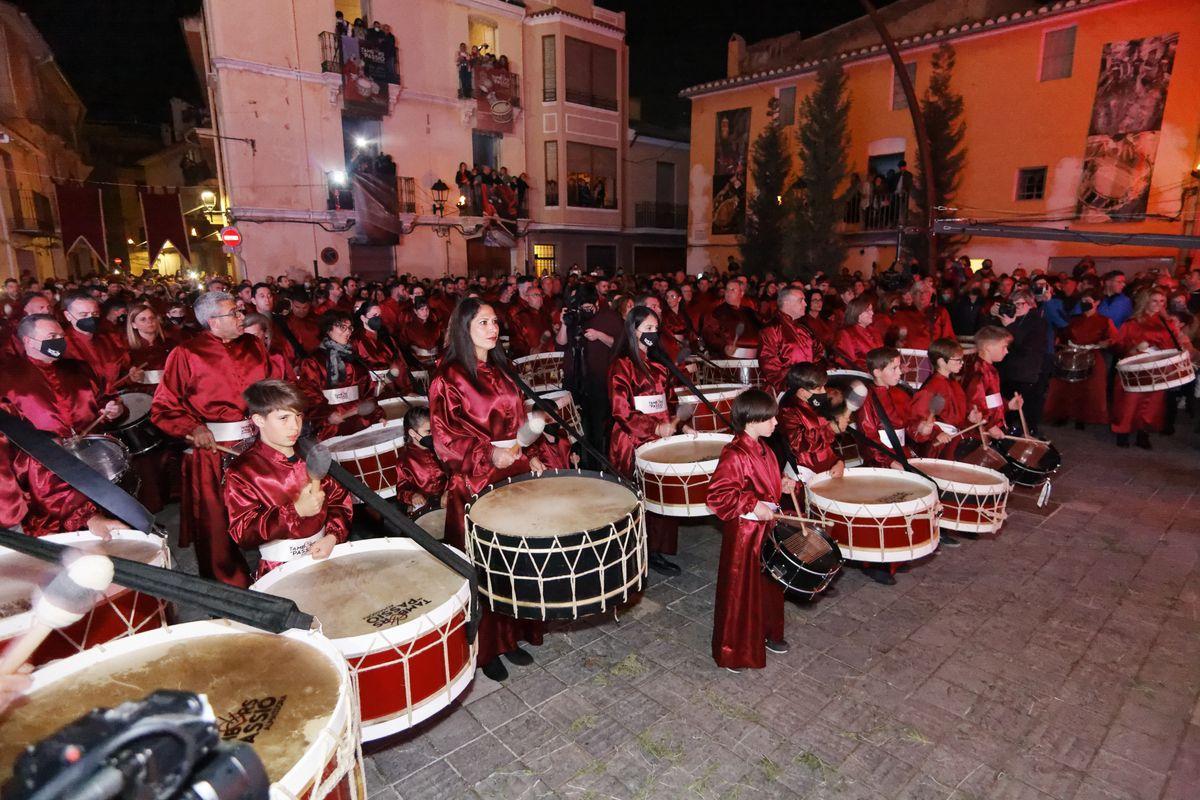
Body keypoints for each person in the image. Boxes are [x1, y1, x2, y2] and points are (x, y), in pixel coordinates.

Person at [429, 298, 547, 683]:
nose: (493, 328)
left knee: (513, 563)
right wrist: (485, 455)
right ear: (464, 327)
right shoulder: (449, 376)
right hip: (476, 483)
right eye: (483, 322)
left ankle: (512, 636)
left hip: (510, 475)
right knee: (483, 569)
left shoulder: (501, 368)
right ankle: (485, 648)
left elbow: (515, 426)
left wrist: (526, 454)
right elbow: (445, 440)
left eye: (495, 321)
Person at [151, 292, 285, 587]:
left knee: (274, 508)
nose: (241, 318)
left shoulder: (252, 344)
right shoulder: (186, 354)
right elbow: (162, 408)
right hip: (214, 451)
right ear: (212, 321)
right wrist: (193, 428)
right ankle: (230, 589)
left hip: (259, 443)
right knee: (215, 524)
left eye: (240, 311)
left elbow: (267, 389)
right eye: (234, 314)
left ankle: (280, 571)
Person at [704, 389, 793, 672]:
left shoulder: (765, 448)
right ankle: (735, 650)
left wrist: (784, 484)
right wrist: (754, 505)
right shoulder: (734, 453)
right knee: (742, 590)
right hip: (746, 534)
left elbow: (764, 482)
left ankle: (767, 632)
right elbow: (717, 496)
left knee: (768, 585)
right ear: (752, 420)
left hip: (766, 529)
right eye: (770, 418)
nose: (775, 423)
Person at [224, 380, 350, 578]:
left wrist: (333, 535)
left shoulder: (308, 453)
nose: (295, 427)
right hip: (280, 568)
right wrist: (295, 511)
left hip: (326, 552)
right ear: (259, 420)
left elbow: (339, 500)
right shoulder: (242, 472)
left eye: (298, 415)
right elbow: (243, 533)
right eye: (284, 418)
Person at [607, 305, 686, 576]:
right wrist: (655, 427)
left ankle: (655, 549)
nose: (653, 333)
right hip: (633, 439)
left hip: (660, 439)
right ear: (633, 331)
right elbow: (621, 410)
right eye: (647, 329)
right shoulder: (622, 365)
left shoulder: (659, 364)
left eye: (656, 329)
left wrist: (679, 426)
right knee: (639, 497)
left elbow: (668, 401)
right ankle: (635, 549)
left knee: (661, 496)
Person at [1110, 288, 1189, 449]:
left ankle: (1143, 433)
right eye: (1155, 300)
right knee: (1128, 401)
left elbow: (1174, 346)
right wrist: (1133, 349)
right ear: (1145, 300)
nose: (1159, 304)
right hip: (1133, 368)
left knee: (1152, 402)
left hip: (1157, 369)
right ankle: (1123, 432)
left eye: (1162, 301)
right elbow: (1118, 344)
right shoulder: (1131, 322)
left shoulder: (1167, 324)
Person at [297, 312, 381, 440]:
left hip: (361, 421)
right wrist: (328, 414)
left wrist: (378, 415)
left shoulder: (354, 358)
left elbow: (368, 391)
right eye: (343, 327)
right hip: (332, 427)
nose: (348, 332)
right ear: (328, 329)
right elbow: (309, 393)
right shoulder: (313, 361)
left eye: (350, 328)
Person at [1043, 291, 1116, 429]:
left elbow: (1113, 338)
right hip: (1071, 353)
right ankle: (1062, 414)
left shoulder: (1105, 321)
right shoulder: (1073, 318)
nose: (1084, 303)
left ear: (1097, 302)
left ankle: (1082, 417)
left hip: (1091, 354)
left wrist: (1107, 342)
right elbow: (1063, 334)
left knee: (1089, 387)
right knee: (1065, 385)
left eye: (1087, 300)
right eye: (1082, 300)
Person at [910, 338, 981, 462]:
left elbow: (955, 418)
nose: (962, 363)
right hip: (937, 447)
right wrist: (936, 434)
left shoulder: (954, 383)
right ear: (942, 361)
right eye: (957, 360)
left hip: (952, 442)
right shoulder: (931, 387)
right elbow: (916, 418)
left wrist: (969, 419)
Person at [776, 363, 845, 480]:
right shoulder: (787, 411)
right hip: (805, 475)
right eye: (819, 388)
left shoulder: (818, 405)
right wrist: (830, 429)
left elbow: (832, 443)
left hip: (829, 470)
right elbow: (799, 443)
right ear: (802, 391)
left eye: (824, 386)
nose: (824, 392)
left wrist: (839, 461)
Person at [997, 290, 1049, 436]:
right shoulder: (1011, 318)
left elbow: (1026, 348)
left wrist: (1010, 326)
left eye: (1020, 303)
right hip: (1009, 371)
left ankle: (1028, 438)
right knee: (1008, 409)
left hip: (1026, 373)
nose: (1016, 307)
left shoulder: (1038, 322)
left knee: (1026, 411)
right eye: (1013, 303)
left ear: (1031, 304)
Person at [60, 292, 131, 392]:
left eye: (95, 314)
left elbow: (122, 368)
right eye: (84, 315)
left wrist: (130, 375)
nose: (91, 318)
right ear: (68, 315)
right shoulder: (63, 346)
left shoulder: (110, 338)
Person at [964, 325, 1023, 441]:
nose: (1006, 351)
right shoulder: (978, 372)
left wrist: (1008, 405)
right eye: (1004, 347)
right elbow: (975, 404)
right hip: (978, 434)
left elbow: (990, 401)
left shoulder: (991, 370)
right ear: (988, 347)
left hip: (989, 430)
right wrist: (990, 427)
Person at [758, 286, 819, 395]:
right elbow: (770, 366)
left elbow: (818, 352)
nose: (805, 304)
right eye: (801, 300)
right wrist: (792, 384)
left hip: (809, 386)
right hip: (786, 391)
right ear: (787, 303)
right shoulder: (771, 329)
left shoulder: (804, 329)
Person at [393, 405, 448, 514]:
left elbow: (455, 472)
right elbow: (401, 491)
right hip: (425, 507)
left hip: (448, 500)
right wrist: (412, 496)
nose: (433, 435)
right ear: (412, 433)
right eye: (428, 431)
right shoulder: (404, 460)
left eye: (434, 430)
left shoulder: (442, 448)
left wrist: (449, 490)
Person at [701, 281, 760, 357]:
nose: (729, 292)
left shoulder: (750, 312)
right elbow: (709, 334)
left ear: (741, 294)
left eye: (733, 290)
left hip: (754, 359)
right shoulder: (717, 312)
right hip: (728, 359)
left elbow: (763, 330)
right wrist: (723, 347)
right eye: (727, 289)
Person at [833, 296, 882, 370]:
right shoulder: (846, 333)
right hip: (861, 375)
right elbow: (847, 361)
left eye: (871, 310)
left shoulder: (874, 331)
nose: (872, 313)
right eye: (867, 310)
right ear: (856, 312)